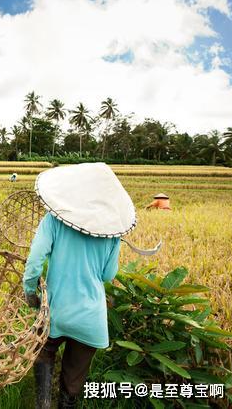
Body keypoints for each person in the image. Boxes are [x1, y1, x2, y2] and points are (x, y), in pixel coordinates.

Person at [23, 163, 135, 409]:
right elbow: (108, 274)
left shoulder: (54, 220)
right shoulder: (111, 233)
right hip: (90, 317)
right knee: (74, 379)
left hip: (56, 310)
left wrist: (30, 292)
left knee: (42, 352)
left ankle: (42, 403)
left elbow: (34, 262)